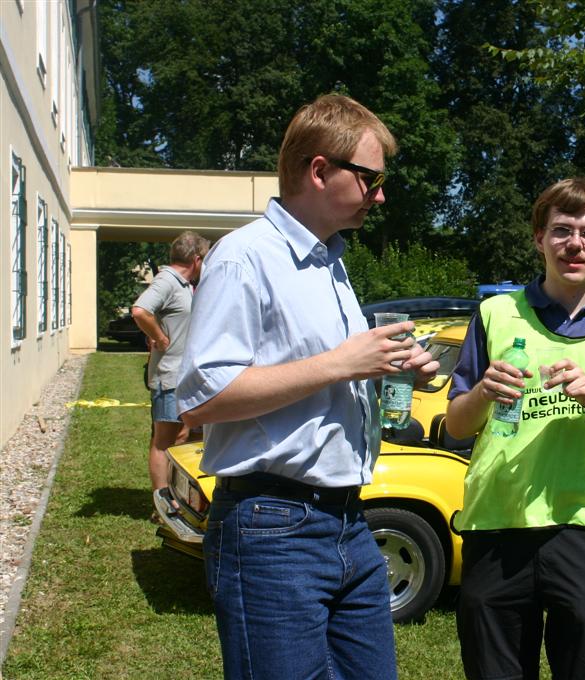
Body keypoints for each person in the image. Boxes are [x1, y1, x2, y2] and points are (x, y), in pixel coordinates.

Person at [176, 94, 438, 680]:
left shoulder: (330, 264)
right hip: (272, 524)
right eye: (370, 179)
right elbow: (202, 396)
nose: (381, 195)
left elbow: (324, 377)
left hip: (348, 521)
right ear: (319, 171)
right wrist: (343, 362)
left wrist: (389, 366)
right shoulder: (245, 257)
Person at [445, 176, 585, 680]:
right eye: (562, 230)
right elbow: (457, 424)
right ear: (538, 238)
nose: (575, 244)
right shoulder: (495, 314)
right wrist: (482, 392)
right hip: (498, 521)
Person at [131, 230, 209, 502]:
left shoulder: (184, 285)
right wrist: (159, 337)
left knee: (183, 436)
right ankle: (162, 503)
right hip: (170, 375)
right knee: (164, 440)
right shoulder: (167, 281)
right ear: (196, 259)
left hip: (183, 375)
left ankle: (178, 497)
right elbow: (140, 310)